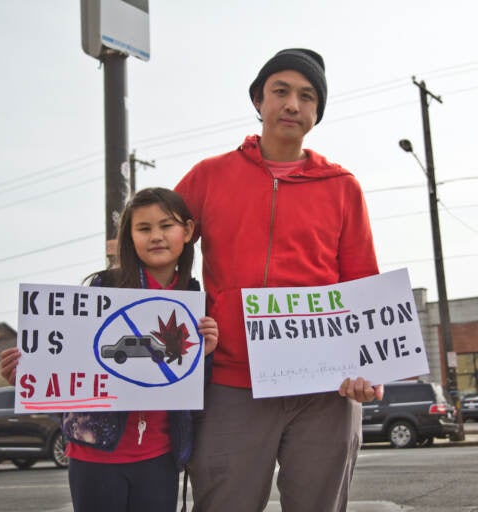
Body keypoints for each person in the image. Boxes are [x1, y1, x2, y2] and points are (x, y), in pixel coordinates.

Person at [174, 48, 383, 512]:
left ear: (316, 112)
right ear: (258, 100)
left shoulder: (342, 185)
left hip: (325, 391)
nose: (293, 104)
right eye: (281, 91)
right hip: (232, 382)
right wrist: (81, 342)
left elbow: (362, 282)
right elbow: (157, 252)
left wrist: (372, 368)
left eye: (307, 96)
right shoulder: (209, 177)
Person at [0, 187, 218, 512]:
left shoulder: (193, 297)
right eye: (144, 228)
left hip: (160, 456)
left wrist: (206, 353)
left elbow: (193, 389)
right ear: (130, 237)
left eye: (166, 225)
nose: (156, 236)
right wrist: (32, 375)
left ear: (187, 231)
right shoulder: (105, 288)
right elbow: (74, 359)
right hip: (94, 453)